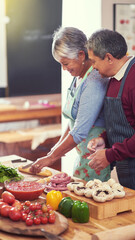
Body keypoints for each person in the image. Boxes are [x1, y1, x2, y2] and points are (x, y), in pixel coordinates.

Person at [86, 29, 135, 206]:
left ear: (109, 58)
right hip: (127, 165)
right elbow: (127, 122)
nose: (93, 67)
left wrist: (111, 154)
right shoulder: (115, 78)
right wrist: (105, 140)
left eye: (94, 61)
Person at [30, 27, 110, 181]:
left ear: (81, 55)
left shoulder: (93, 81)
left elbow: (79, 131)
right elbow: (73, 121)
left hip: (95, 158)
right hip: (82, 156)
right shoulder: (78, 77)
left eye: (65, 63)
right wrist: (53, 150)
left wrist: (51, 158)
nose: (64, 69)